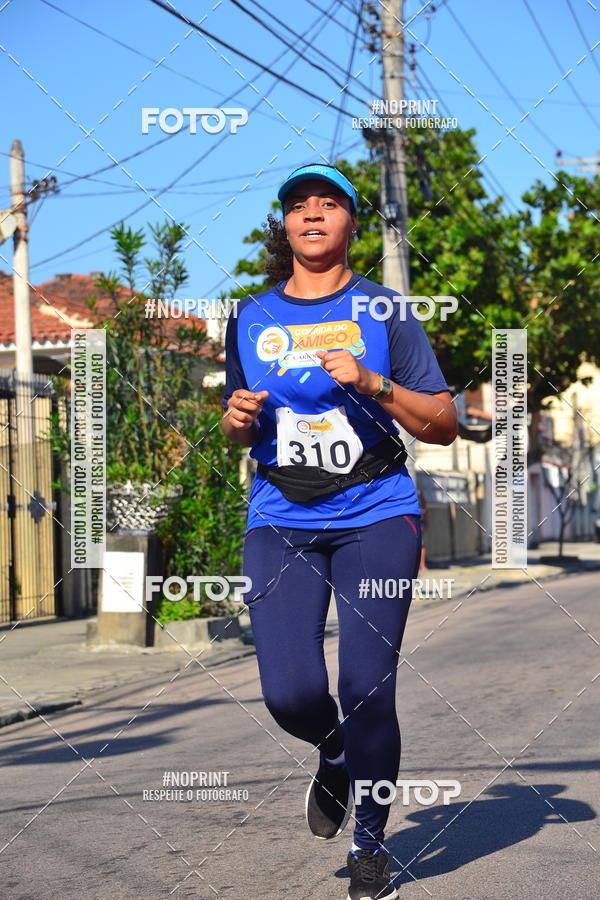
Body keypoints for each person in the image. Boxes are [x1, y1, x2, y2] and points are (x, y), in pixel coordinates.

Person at [221, 163, 457, 900]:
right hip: (282, 515)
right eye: (300, 205)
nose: (314, 214)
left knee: (365, 688)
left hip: (376, 512)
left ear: (352, 223)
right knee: (290, 694)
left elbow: (444, 423)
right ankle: (333, 754)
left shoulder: (386, 311)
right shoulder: (251, 316)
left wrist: (372, 383)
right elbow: (240, 424)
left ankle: (370, 847)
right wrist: (235, 421)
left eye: (329, 203)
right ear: (285, 225)